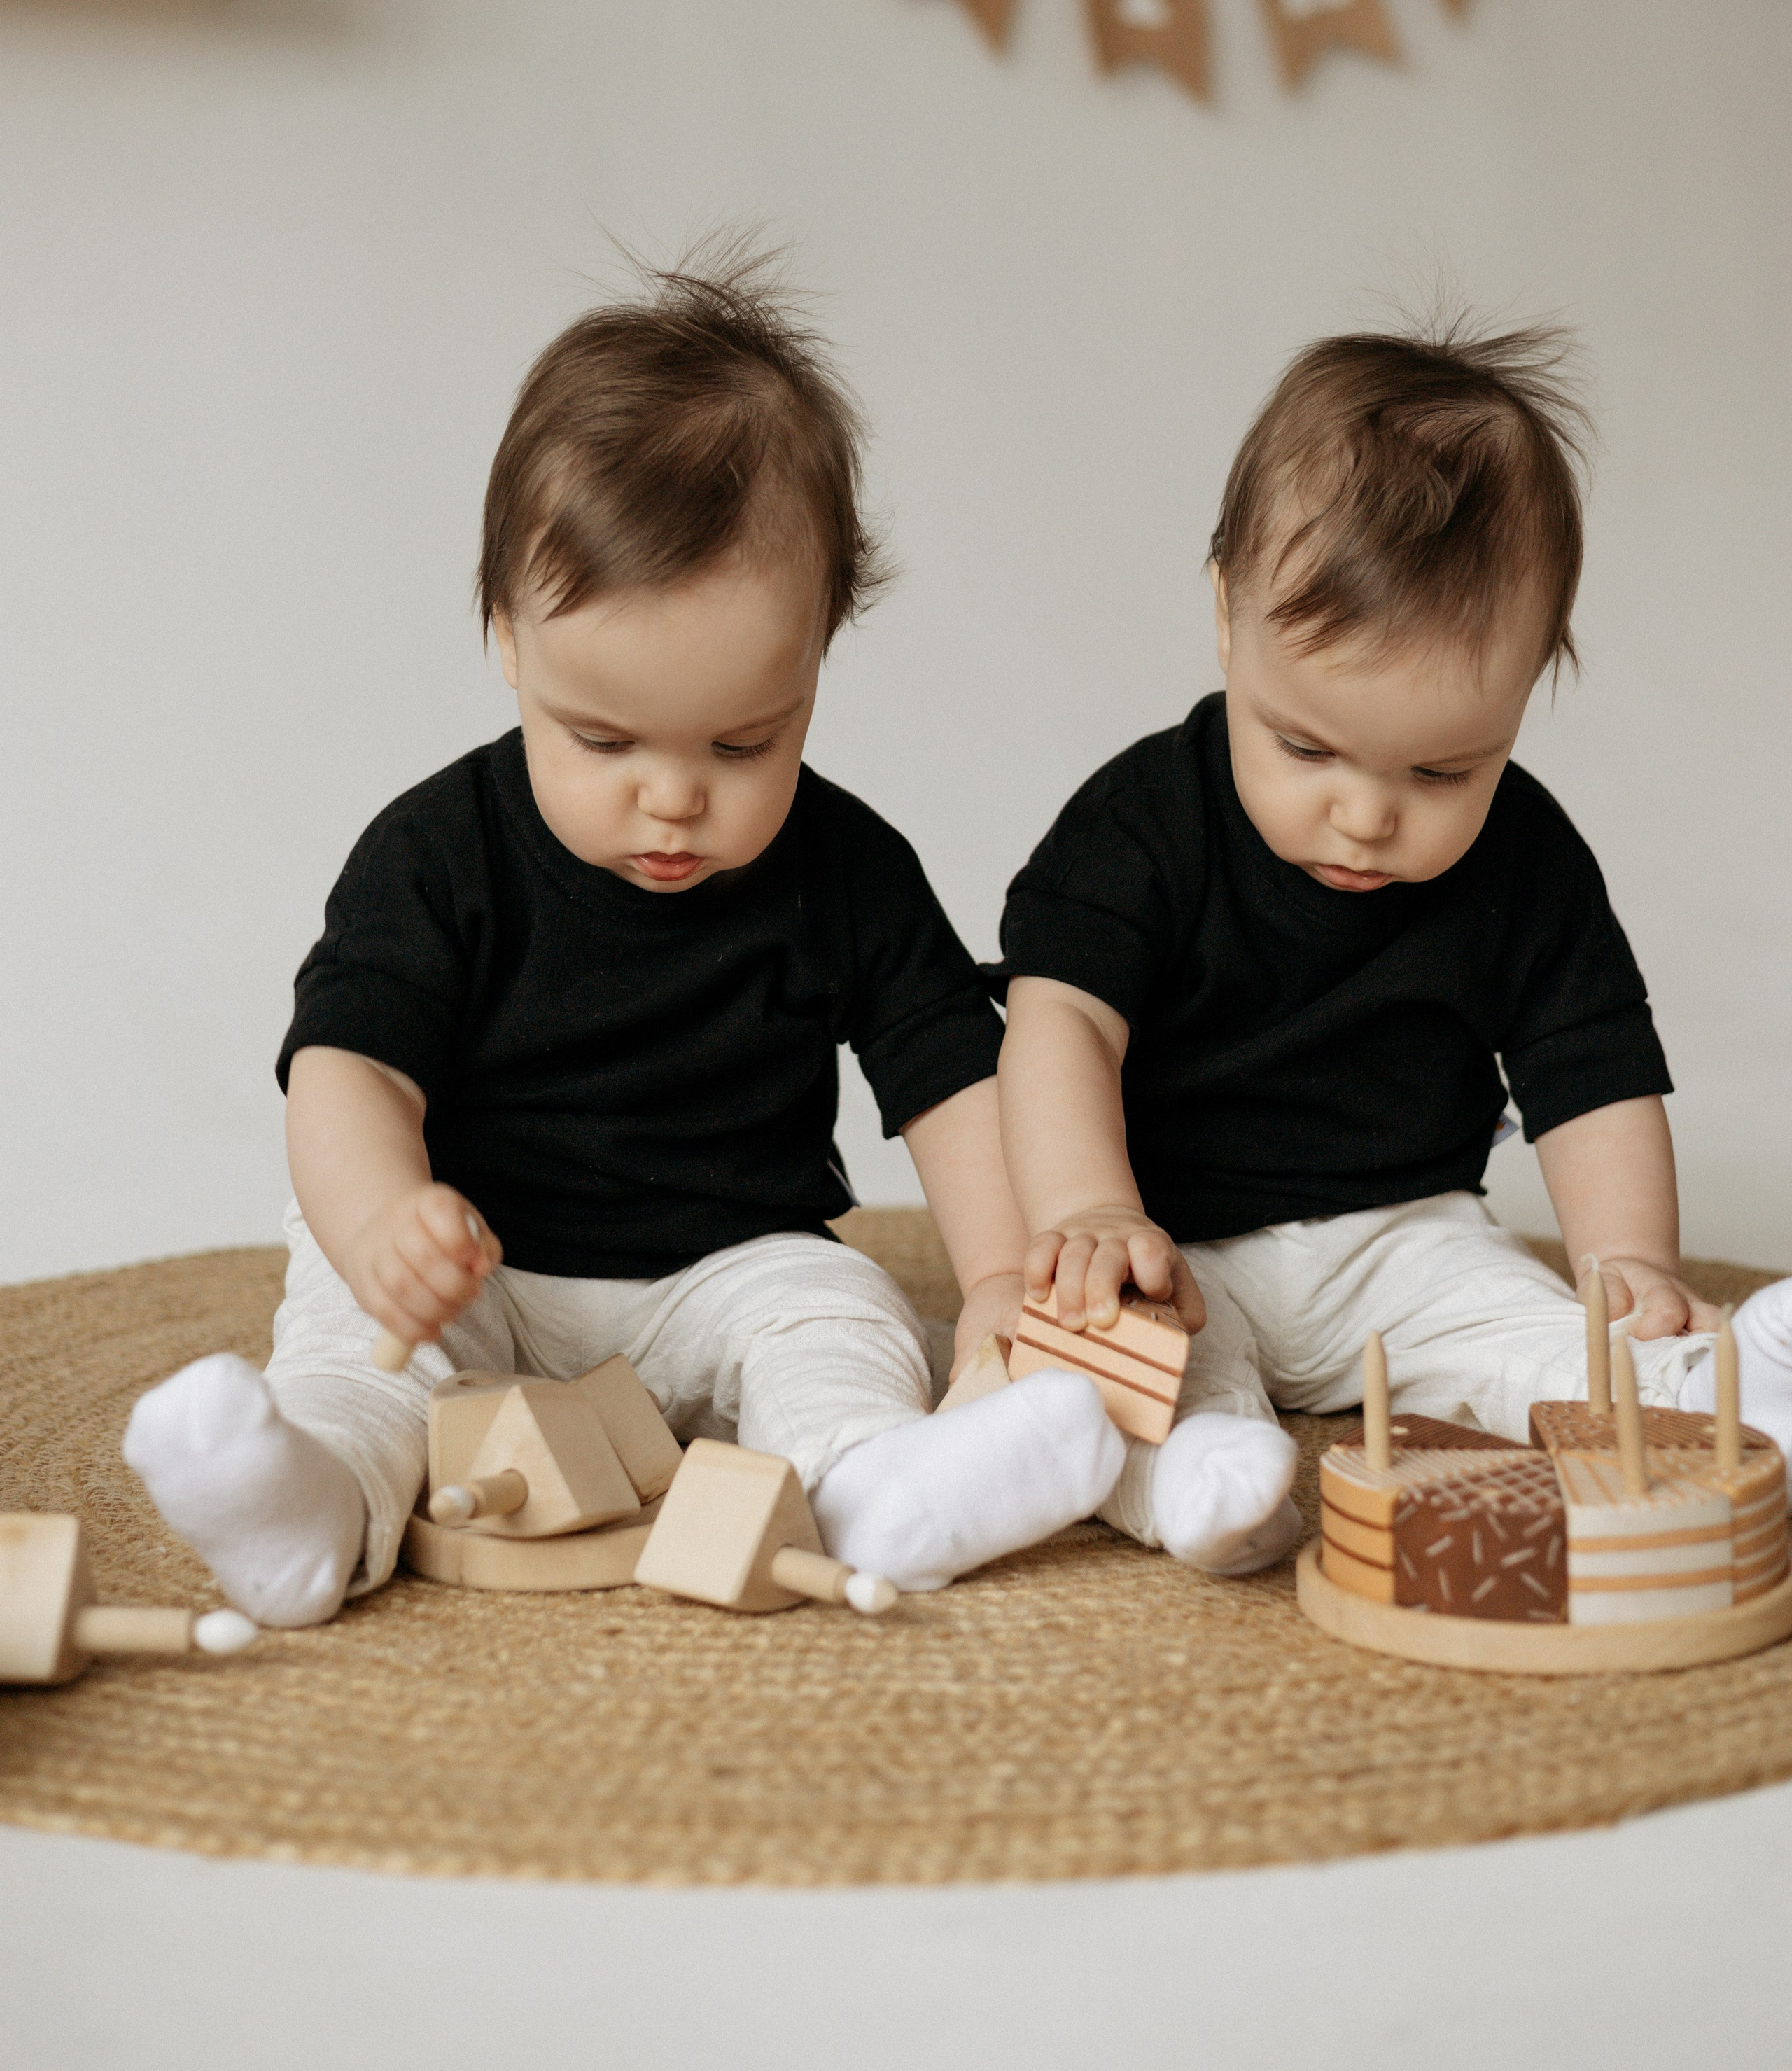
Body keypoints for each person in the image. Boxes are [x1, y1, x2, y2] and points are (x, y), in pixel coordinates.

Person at [124, 256, 1121, 1624]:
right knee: (367, 1357)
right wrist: (381, 1223)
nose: (672, 794)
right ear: (507, 643)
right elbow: (345, 1070)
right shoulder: (437, 855)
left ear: (812, 669)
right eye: (601, 739)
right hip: (481, 1264)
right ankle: (306, 1505)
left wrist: (1004, 1278)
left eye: (741, 741)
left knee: (837, 1315)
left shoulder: (845, 869)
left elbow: (953, 1079)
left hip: (725, 1262)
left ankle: (870, 1482)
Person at [992, 315, 1792, 1575]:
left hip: (1410, 1237)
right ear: (1225, 616)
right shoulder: (1144, 821)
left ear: (1529, 690)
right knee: (1122, 1366)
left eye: (1440, 770)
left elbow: (1592, 1072)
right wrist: (1092, 1205)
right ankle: (1205, 1480)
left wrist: (1628, 1263)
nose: (1365, 815)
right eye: (1305, 748)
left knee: (1546, 1341)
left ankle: (1719, 1396)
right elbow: (1060, 1021)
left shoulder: (1528, 858)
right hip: (1179, 1238)